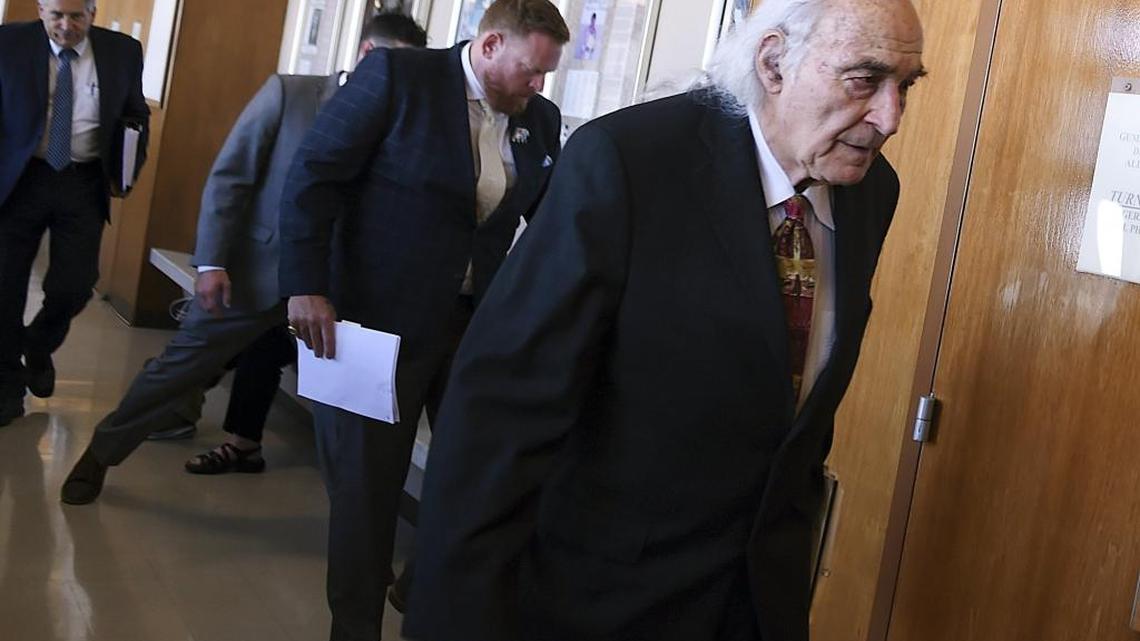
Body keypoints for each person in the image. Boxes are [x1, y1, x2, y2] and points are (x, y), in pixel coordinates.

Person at [402, 1, 927, 640]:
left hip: (757, 603)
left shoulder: (872, 191)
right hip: (601, 600)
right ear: (773, 63)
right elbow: (500, 415)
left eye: (906, 85)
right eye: (864, 80)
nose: (890, 116)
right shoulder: (628, 163)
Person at [279, 1, 569, 638]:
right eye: (532, 69)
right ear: (490, 45)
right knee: (365, 493)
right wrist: (305, 287)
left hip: (469, 326)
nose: (540, 86)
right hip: (363, 322)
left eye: (548, 73)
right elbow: (313, 178)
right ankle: (354, 628)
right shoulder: (398, 80)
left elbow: (551, 222)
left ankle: (420, 585)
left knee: (488, 469)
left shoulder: (538, 121)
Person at [58, 14, 428, 502]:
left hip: (335, 290)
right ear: (365, 54)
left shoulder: (401, 126)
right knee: (178, 369)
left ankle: (355, 518)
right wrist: (211, 262)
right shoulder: (291, 95)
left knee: (353, 403)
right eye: (392, 66)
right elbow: (231, 177)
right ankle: (101, 454)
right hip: (256, 272)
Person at [0, 0, 149, 427]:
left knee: (75, 285)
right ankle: (7, 386)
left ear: (93, 13)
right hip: (18, 179)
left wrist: (127, 169)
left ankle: (39, 342)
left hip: (82, 182)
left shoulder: (123, 51)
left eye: (77, 16)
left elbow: (135, 113)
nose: (67, 26)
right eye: (56, 16)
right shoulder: (8, 44)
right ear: (41, 11)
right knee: (4, 289)